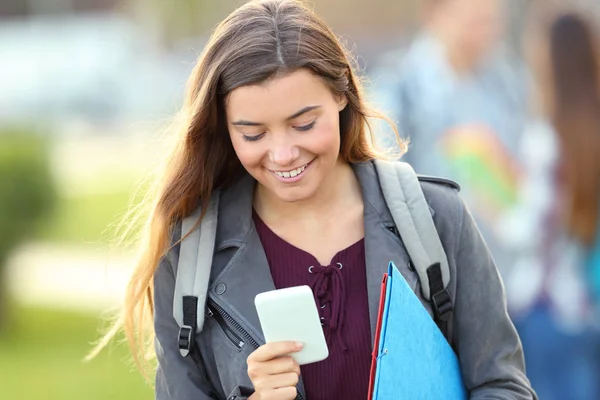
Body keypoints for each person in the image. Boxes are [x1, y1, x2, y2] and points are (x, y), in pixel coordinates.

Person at [91, 1, 536, 399]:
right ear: (223, 128)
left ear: (341, 94)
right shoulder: (189, 250)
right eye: (253, 134)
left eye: (304, 124)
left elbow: (502, 384)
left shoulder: (436, 219)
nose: (283, 154)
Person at [372, 0, 531, 280]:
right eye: (476, 19)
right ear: (434, 13)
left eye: (493, 20)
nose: (488, 31)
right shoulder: (398, 89)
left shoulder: (509, 82)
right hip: (433, 272)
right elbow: (384, 187)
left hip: (507, 272)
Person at [507, 9, 600, 400]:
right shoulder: (589, 132)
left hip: (548, 310)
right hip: (588, 305)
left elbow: (532, 230)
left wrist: (496, 208)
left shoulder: (546, 138)